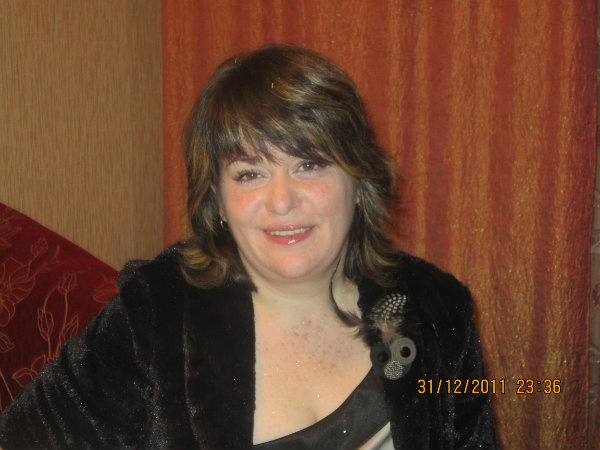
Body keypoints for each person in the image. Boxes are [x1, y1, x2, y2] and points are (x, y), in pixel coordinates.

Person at [0, 44, 497, 449]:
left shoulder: (436, 309)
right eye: (250, 173)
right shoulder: (158, 311)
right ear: (217, 198)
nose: (282, 201)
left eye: (310, 164)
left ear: (358, 180)